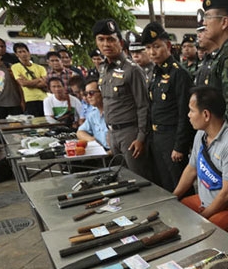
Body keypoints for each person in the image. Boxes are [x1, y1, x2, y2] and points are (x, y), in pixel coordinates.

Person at [173, 87, 228, 235]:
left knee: (203, 231)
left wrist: (203, 217)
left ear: (206, 115)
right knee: (179, 210)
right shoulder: (200, 135)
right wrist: (173, 197)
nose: (188, 115)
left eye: (191, 110)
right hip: (206, 201)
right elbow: (191, 170)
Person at [94, 18, 152, 179]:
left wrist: (141, 137)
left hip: (130, 134)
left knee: (139, 178)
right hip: (113, 133)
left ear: (120, 42)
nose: (106, 44)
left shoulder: (132, 70)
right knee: (122, 177)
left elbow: (143, 106)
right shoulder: (103, 68)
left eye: (111, 39)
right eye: (101, 39)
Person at [141, 22, 195, 192]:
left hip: (172, 138)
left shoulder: (179, 73)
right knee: (164, 184)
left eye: (156, 46)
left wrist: (180, 146)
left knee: (180, 185)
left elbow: (184, 113)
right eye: (148, 48)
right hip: (157, 138)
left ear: (168, 45)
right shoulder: (155, 73)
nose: (152, 52)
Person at [200, 0, 228, 130]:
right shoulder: (223, 51)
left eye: (208, 17)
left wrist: (221, 139)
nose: (204, 23)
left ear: (224, 22)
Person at [11, 42, 47, 117]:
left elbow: (45, 83)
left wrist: (28, 82)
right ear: (16, 54)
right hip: (30, 100)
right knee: (35, 122)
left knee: (45, 121)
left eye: (24, 51)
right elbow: (23, 84)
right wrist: (39, 79)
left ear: (28, 52)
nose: (23, 54)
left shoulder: (40, 68)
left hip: (43, 98)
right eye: (20, 52)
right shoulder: (15, 67)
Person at [76, 78, 109, 150]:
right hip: (100, 152)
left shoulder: (114, 112)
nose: (88, 96)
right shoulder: (93, 114)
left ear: (102, 92)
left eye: (91, 93)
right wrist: (93, 141)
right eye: (86, 94)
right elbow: (80, 132)